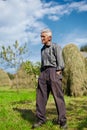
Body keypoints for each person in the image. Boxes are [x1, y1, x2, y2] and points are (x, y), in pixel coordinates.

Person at [32, 29, 67, 129]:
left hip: (53, 71)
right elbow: (43, 63)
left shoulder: (56, 46)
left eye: (43, 36)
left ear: (49, 37)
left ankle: (63, 121)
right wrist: (41, 74)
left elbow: (60, 63)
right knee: (40, 97)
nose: (41, 38)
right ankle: (40, 119)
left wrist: (57, 73)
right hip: (43, 72)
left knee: (58, 97)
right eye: (41, 36)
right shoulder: (42, 49)